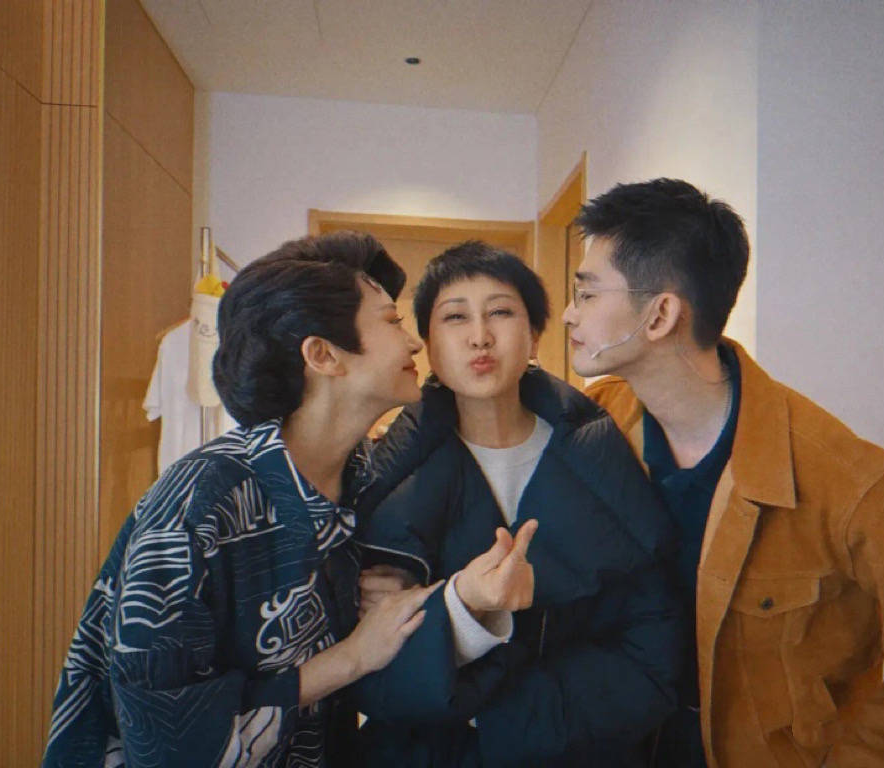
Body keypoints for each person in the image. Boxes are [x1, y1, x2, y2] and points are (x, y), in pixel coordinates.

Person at [562, 178, 884, 767]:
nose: (569, 314)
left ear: (660, 315)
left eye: (587, 293)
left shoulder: (843, 478)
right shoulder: (600, 423)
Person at [42, 232, 444, 767]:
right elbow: (163, 735)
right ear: (323, 355)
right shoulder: (200, 498)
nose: (414, 343)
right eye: (392, 321)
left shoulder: (364, 480)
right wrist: (351, 657)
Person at [352, 241, 681, 766]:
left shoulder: (599, 450)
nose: (480, 336)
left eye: (501, 312)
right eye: (455, 317)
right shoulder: (388, 474)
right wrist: (463, 611)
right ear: (427, 344)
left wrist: (499, 718)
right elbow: (364, 665)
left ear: (534, 335)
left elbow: (651, 637)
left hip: (577, 748)